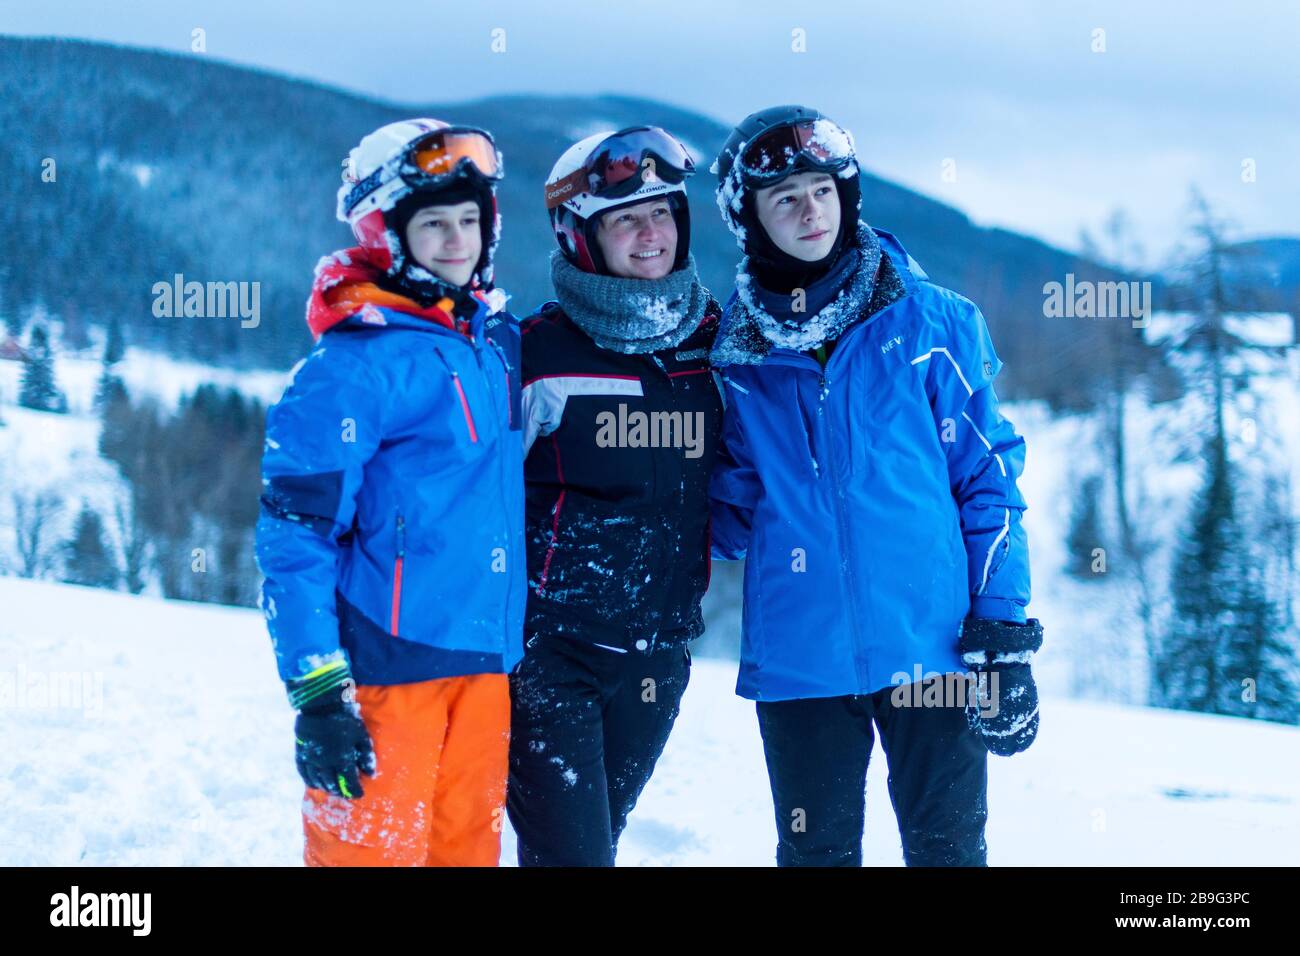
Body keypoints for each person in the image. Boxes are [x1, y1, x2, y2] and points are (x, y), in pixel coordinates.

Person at [708, 105, 1044, 867]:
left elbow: (988, 479)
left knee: (949, 851)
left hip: (934, 650)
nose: (810, 210)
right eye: (785, 197)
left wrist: (1002, 633)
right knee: (816, 853)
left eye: (823, 190)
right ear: (750, 219)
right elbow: (727, 516)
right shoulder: (732, 357)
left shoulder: (931, 326)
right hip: (800, 660)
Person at [255, 118, 524, 866]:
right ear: (385, 233)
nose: (456, 240)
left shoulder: (489, 344)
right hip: (386, 671)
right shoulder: (350, 367)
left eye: (470, 220)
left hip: (482, 666)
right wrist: (316, 693)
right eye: (432, 223)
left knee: (464, 855)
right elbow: (294, 534)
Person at [507, 126, 724, 866]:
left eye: (662, 212)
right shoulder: (533, 354)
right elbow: (473, 500)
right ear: (579, 234)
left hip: (659, 659)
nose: (650, 233)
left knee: (597, 842)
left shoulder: (713, 342)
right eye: (626, 218)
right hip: (551, 657)